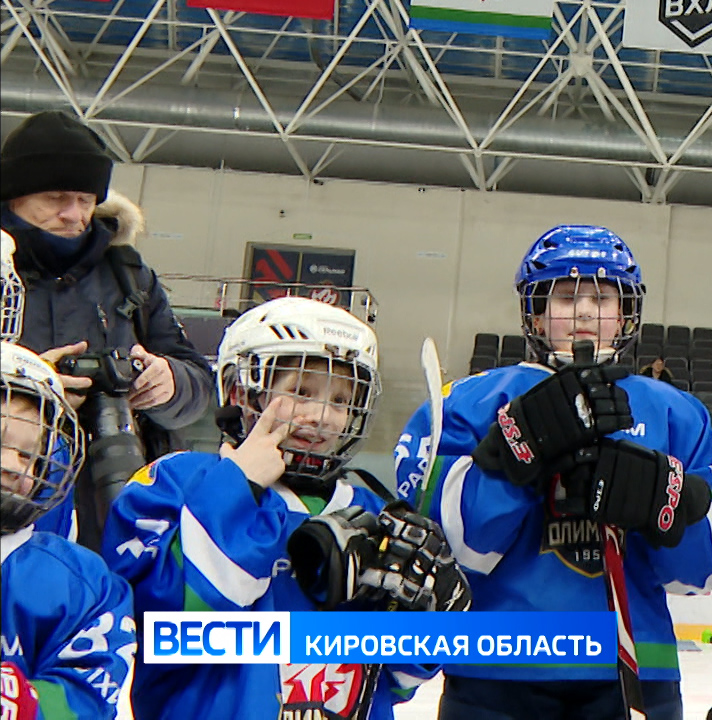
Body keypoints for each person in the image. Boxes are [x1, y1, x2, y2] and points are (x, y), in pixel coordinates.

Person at [399, 224, 712, 720]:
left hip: (634, 671)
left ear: (624, 314)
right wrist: (512, 459)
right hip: (496, 669)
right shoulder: (475, 402)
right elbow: (451, 546)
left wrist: (662, 502)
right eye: (565, 297)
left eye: (601, 297)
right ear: (537, 316)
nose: (583, 311)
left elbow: (702, 571)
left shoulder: (675, 412)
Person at [103, 296, 470, 720]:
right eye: (301, 392)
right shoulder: (170, 484)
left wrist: (425, 626)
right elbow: (170, 623)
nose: (322, 416)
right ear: (243, 391)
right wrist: (238, 486)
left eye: (340, 400)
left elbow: (394, 682)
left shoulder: (371, 511)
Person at [2, 109, 216, 548]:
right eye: (56, 197)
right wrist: (29, 386)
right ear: (12, 198)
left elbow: (198, 385)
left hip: (117, 502)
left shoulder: (129, 276)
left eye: (84, 199)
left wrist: (170, 383)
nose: (73, 214)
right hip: (12, 490)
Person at [1, 341, 136, 719]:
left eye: (29, 455)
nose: (14, 466)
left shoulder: (80, 580)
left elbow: (89, 693)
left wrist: (20, 703)